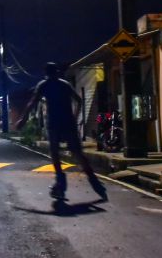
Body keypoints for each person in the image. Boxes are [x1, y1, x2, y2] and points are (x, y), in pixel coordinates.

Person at [16, 62, 108, 201]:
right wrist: (75, 117)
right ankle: (94, 181)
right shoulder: (65, 84)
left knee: (55, 154)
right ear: (57, 72)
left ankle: (61, 183)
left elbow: (32, 103)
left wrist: (23, 119)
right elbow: (78, 100)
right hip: (68, 123)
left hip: (54, 123)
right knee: (78, 154)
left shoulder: (44, 85)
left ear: (46, 73)